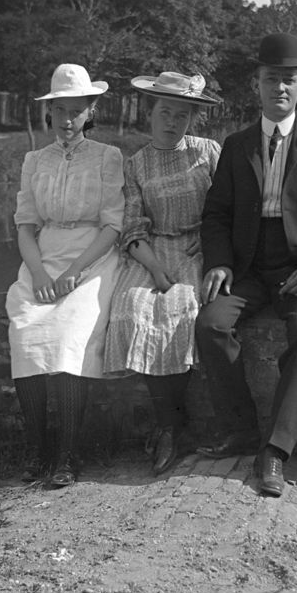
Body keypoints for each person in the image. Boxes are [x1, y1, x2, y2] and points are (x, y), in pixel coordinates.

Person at [195, 32, 297, 497]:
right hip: (249, 266)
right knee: (210, 324)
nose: (280, 89)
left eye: (289, 81)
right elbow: (217, 214)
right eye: (272, 80)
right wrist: (220, 263)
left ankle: (274, 451)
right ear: (257, 85)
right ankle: (241, 428)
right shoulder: (236, 144)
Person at [5, 63, 124, 488]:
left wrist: (75, 271)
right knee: (25, 329)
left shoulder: (108, 157)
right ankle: (38, 449)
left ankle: (68, 456)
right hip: (44, 254)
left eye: (78, 110)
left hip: (93, 256)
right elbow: (24, 224)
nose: (69, 119)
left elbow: (113, 224)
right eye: (61, 110)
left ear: (90, 112)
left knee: (71, 331)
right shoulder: (35, 160)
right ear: (50, 112)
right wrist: (37, 272)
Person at [103, 72, 222, 475]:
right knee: (134, 307)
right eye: (165, 113)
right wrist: (153, 268)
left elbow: (226, 209)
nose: (173, 122)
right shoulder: (136, 164)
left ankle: (173, 427)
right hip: (152, 250)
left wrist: (210, 240)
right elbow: (133, 224)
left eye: (182, 115)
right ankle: (168, 422)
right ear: (150, 114)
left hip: (197, 246)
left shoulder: (207, 152)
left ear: (192, 119)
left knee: (184, 308)